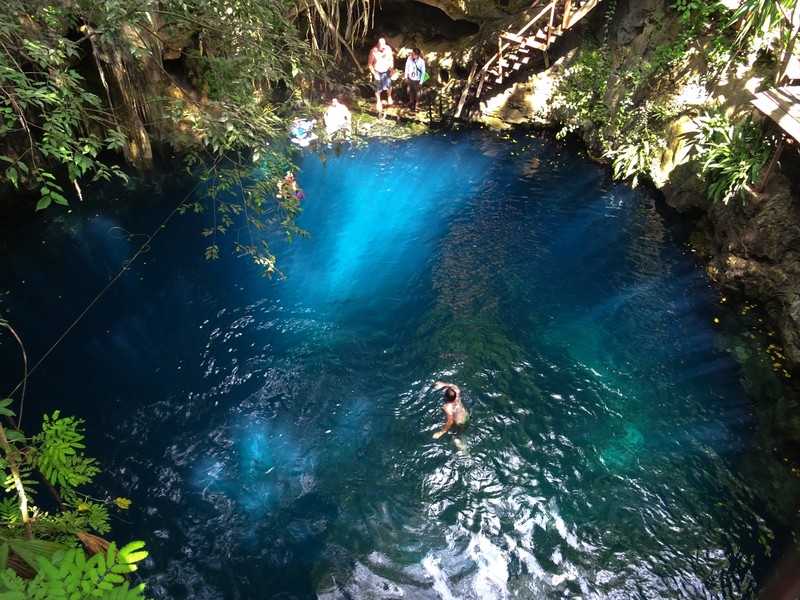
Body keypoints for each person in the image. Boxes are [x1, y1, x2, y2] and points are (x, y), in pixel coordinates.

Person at [367, 37, 394, 114]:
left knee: (388, 85)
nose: (383, 49)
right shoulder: (373, 51)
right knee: (377, 88)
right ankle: (378, 100)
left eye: (384, 47)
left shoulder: (388, 49)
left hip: (386, 70)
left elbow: (391, 59)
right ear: (378, 45)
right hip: (377, 71)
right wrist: (374, 74)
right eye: (381, 48)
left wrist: (392, 69)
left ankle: (389, 96)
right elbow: (370, 64)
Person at [404, 48, 426, 112]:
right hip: (410, 78)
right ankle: (410, 101)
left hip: (417, 79)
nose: (412, 55)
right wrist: (406, 76)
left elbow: (423, 72)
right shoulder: (409, 58)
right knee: (410, 90)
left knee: (417, 93)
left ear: (417, 55)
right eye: (412, 53)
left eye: (413, 54)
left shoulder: (421, 62)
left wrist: (421, 82)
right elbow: (406, 67)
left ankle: (416, 104)